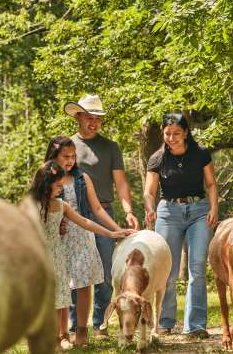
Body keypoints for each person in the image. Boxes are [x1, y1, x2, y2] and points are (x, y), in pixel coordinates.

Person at [28, 161, 133, 350]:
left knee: (60, 298)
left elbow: (85, 221)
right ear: (46, 183)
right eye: (58, 185)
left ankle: (57, 339)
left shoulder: (61, 206)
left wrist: (112, 233)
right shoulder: (31, 206)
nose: (62, 189)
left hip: (58, 257)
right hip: (38, 258)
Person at [64, 94, 139, 338]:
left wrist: (127, 211)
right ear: (78, 117)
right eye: (89, 118)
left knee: (105, 271)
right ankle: (76, 325)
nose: (94, 123)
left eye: (98, 119)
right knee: (76, 271)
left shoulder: (110, 147)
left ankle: (100, 323)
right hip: (72, 212)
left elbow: (120, 182)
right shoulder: (68, 146)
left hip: (102, 211)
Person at [143, 112, 218, 337]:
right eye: (168, 133)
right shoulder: (157, 158)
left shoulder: (201, 153)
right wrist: (149, 208)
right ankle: (165, 322)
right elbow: (149, 192)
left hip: (199, 212)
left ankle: (195, 326)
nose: (172, 137)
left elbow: (211, 184)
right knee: (168, 269)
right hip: (169, 213)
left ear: (186, 132)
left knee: (197, 267)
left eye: (177, 133)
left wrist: (214, 207)